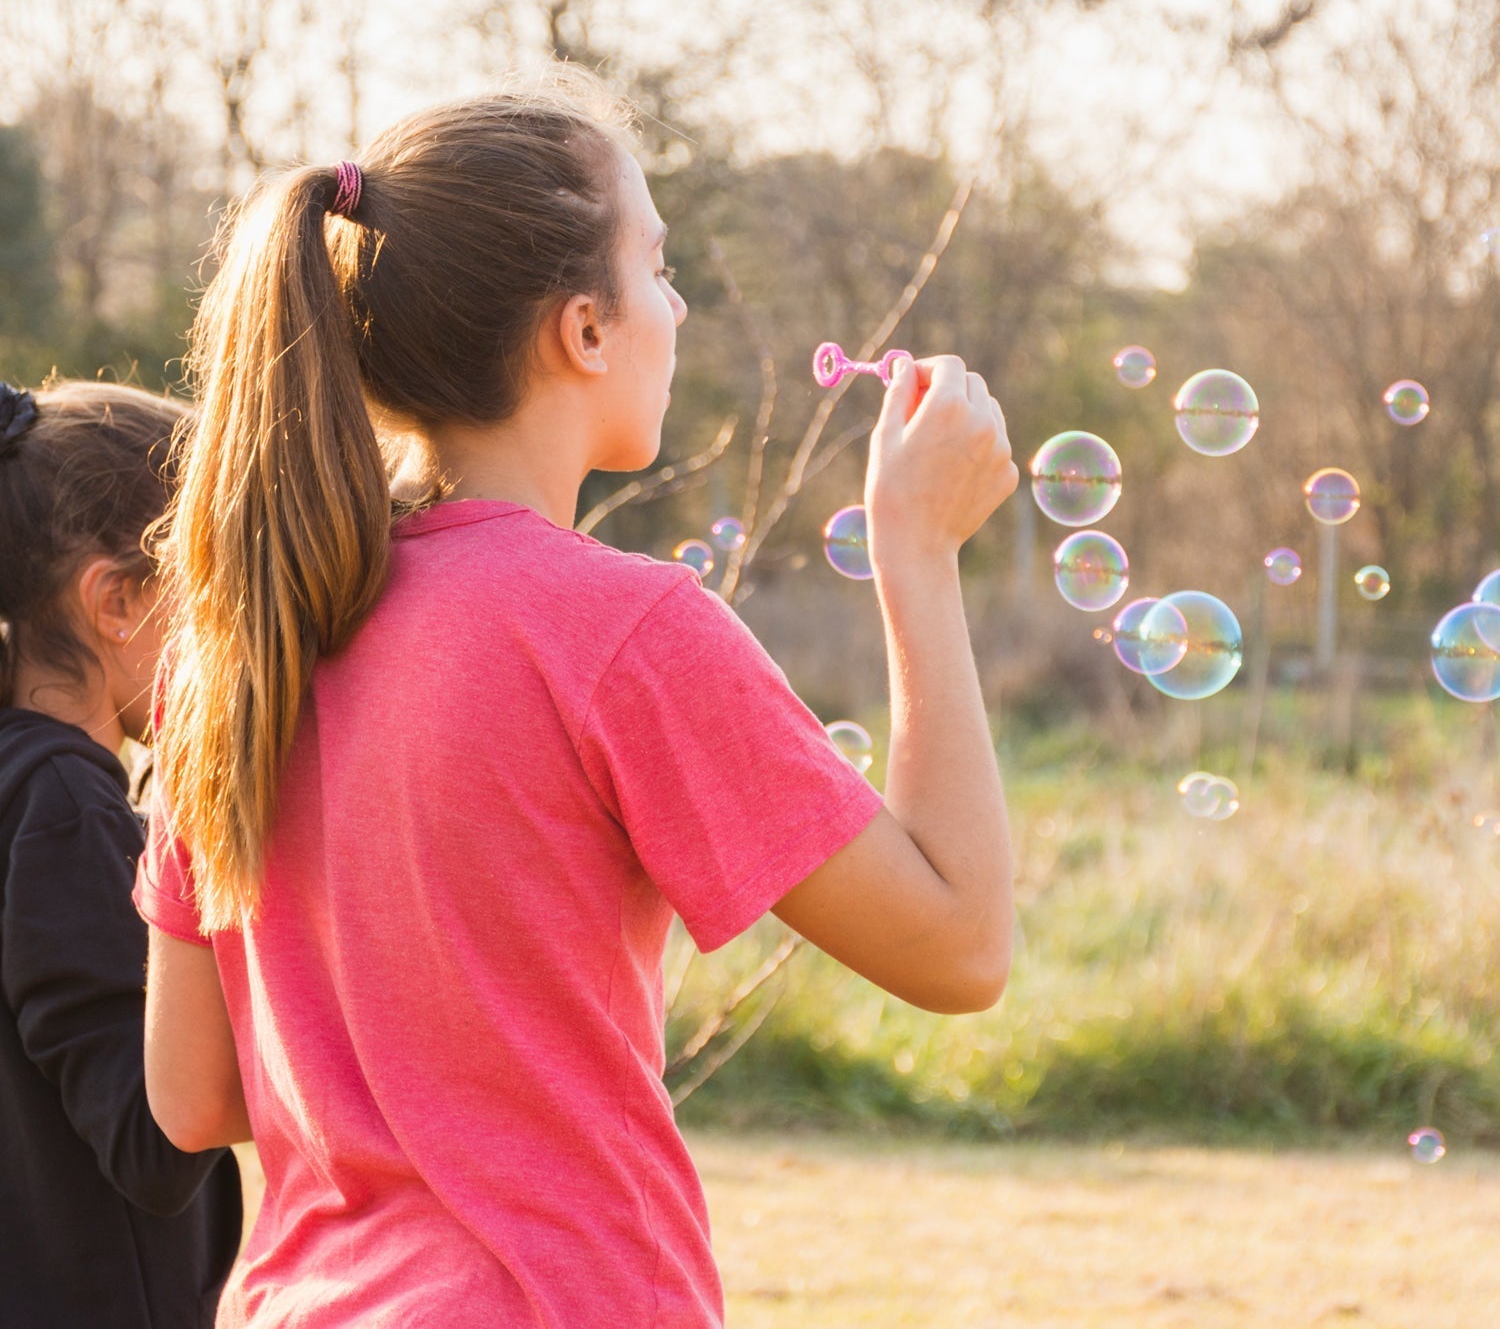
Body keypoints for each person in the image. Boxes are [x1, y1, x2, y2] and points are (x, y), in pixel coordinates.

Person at [136, 72, 1018, 1329]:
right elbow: (961, 946)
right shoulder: (617, 630)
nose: (680, 304)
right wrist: (918, 557)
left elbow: (193, 1097)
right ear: (585, 330)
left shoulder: (231, 645)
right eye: (657, 265)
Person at [0, 378, 242, 1328]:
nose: (241, 633)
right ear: (118, 602)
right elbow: (156, 1140)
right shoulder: (59, 802)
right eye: (217, 589)